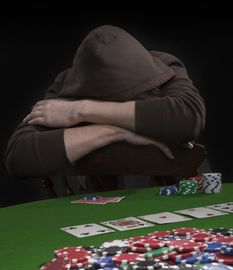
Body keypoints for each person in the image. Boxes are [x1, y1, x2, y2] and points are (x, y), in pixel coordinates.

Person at [4, 25, 206, 193]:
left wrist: (81, 110)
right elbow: (19, 157)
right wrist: (115, 131)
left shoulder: (164, 66)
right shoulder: (68, 85)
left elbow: (187, 118)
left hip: (172, 194)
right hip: (90, 205)